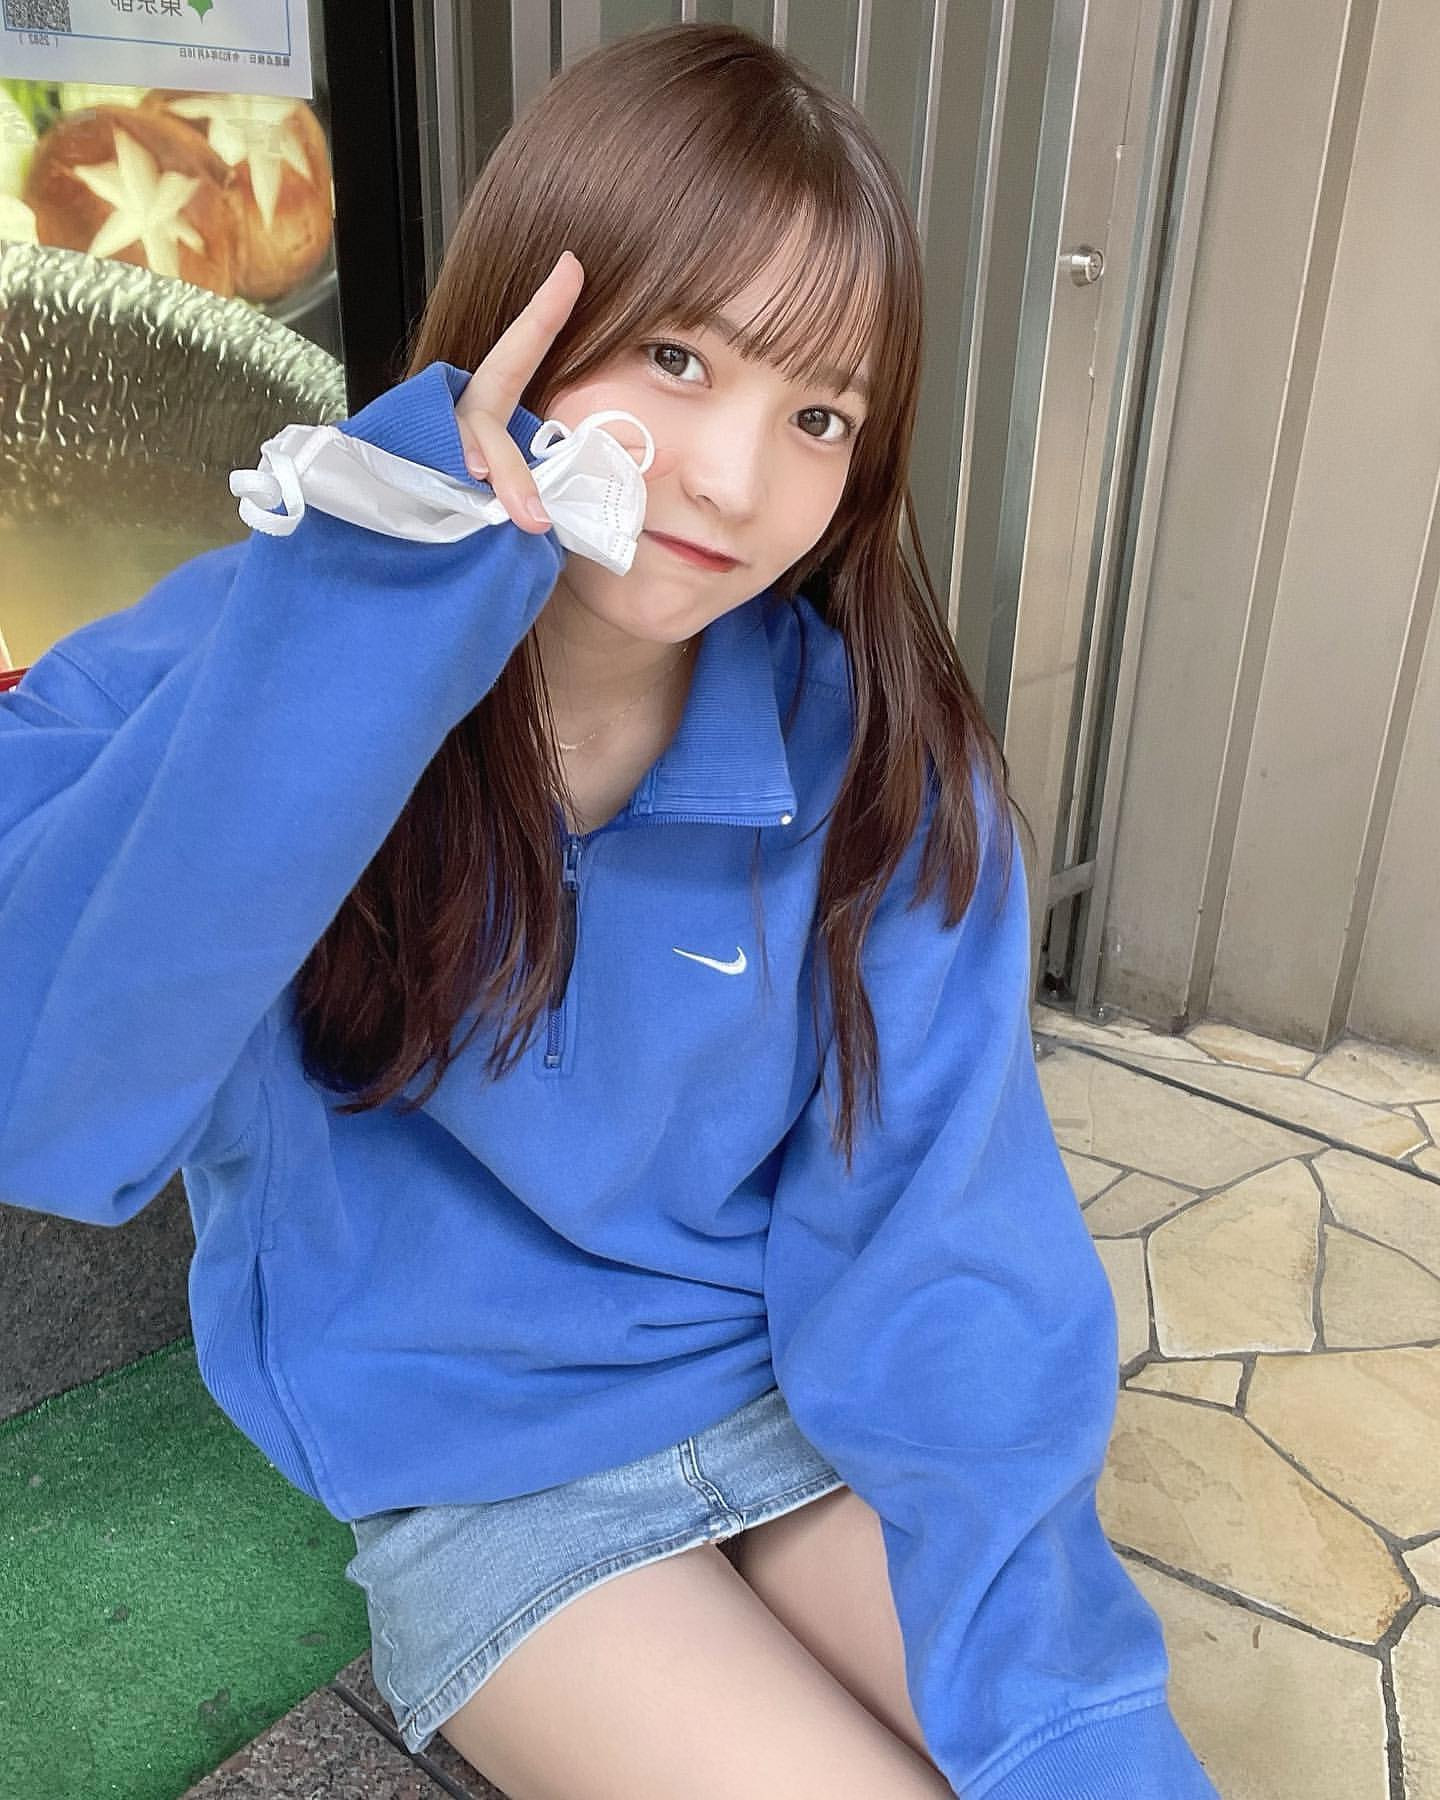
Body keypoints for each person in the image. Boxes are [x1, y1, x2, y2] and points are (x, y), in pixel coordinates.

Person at [0, 21, 1219, 1800]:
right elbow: (47, 1087)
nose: (736, 479)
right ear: (523, 314)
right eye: (677, 354)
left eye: (819, 415)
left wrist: (1065, 1695)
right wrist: (376, 620)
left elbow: (947, 1239)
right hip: (493, 1488)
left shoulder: (882, 754)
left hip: (800, 1414)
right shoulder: (261, 637)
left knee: (1089, 1763)